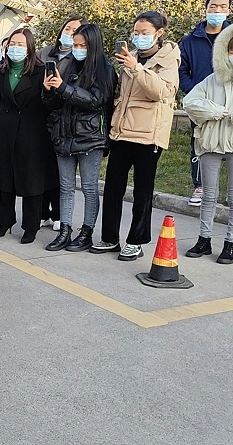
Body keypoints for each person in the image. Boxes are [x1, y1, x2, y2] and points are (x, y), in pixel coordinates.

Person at [91, 11, 180, 261]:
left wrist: (137, 69)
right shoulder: (132, 57)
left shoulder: (168, 60)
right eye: (136, 32)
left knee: (142, 191)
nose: (139, 37)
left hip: (148, 136)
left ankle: (136, 241)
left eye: (145, 33)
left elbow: (160, 92)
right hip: (122, 132)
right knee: (112, 188)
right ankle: (109, 237)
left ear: (159, 33)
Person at [42, 24, 117, 252]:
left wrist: (63, 88)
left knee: (89, 187)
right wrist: (48, 90)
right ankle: (65, 230)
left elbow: (96, 99)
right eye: (75, 45)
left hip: (90, 137)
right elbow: (54, 104)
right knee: (65, 187)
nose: (77, 49)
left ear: (93, 45)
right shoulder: (67, 65)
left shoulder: (105, 69)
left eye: (82, 45)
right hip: (64, 135)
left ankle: (86, 231)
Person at [0, 28, 57, 244]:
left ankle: (31, 226)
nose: (14, 48)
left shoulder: (42, 71)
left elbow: (51, 106)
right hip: (6, 130)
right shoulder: (0, 72)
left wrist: (47, 91)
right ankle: (5, 222)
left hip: (32, 131)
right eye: (12, 44)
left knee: (31, 181)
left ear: (30, 48)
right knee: (6, 179)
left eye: (20, 44)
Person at [182, 24, 233, 264]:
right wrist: (215, 111)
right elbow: (190, 102)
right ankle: (204, 239)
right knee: (209, 195)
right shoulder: (211, 80)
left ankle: (231, 243)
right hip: (210, 143)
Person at [37, 16, 87, 231]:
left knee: (60, 174)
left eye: (75, 31)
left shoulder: (79, 62)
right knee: (42, 169)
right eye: (67, 28)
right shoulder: (44, 53)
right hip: (41, 117)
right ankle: (42, 212)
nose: (69, 33)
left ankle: (58, 214)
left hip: (64, 121)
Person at [179, 0, 231, 206]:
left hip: (230, 101)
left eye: (222, 6)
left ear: (229, 9)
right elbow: (181, 69)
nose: (217, 11)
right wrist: (193, 91)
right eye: (213, 6)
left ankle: (230, 193)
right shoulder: (191, 40)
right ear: (206, 8)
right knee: (200, 143)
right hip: (202, 103)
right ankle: (200, 185)